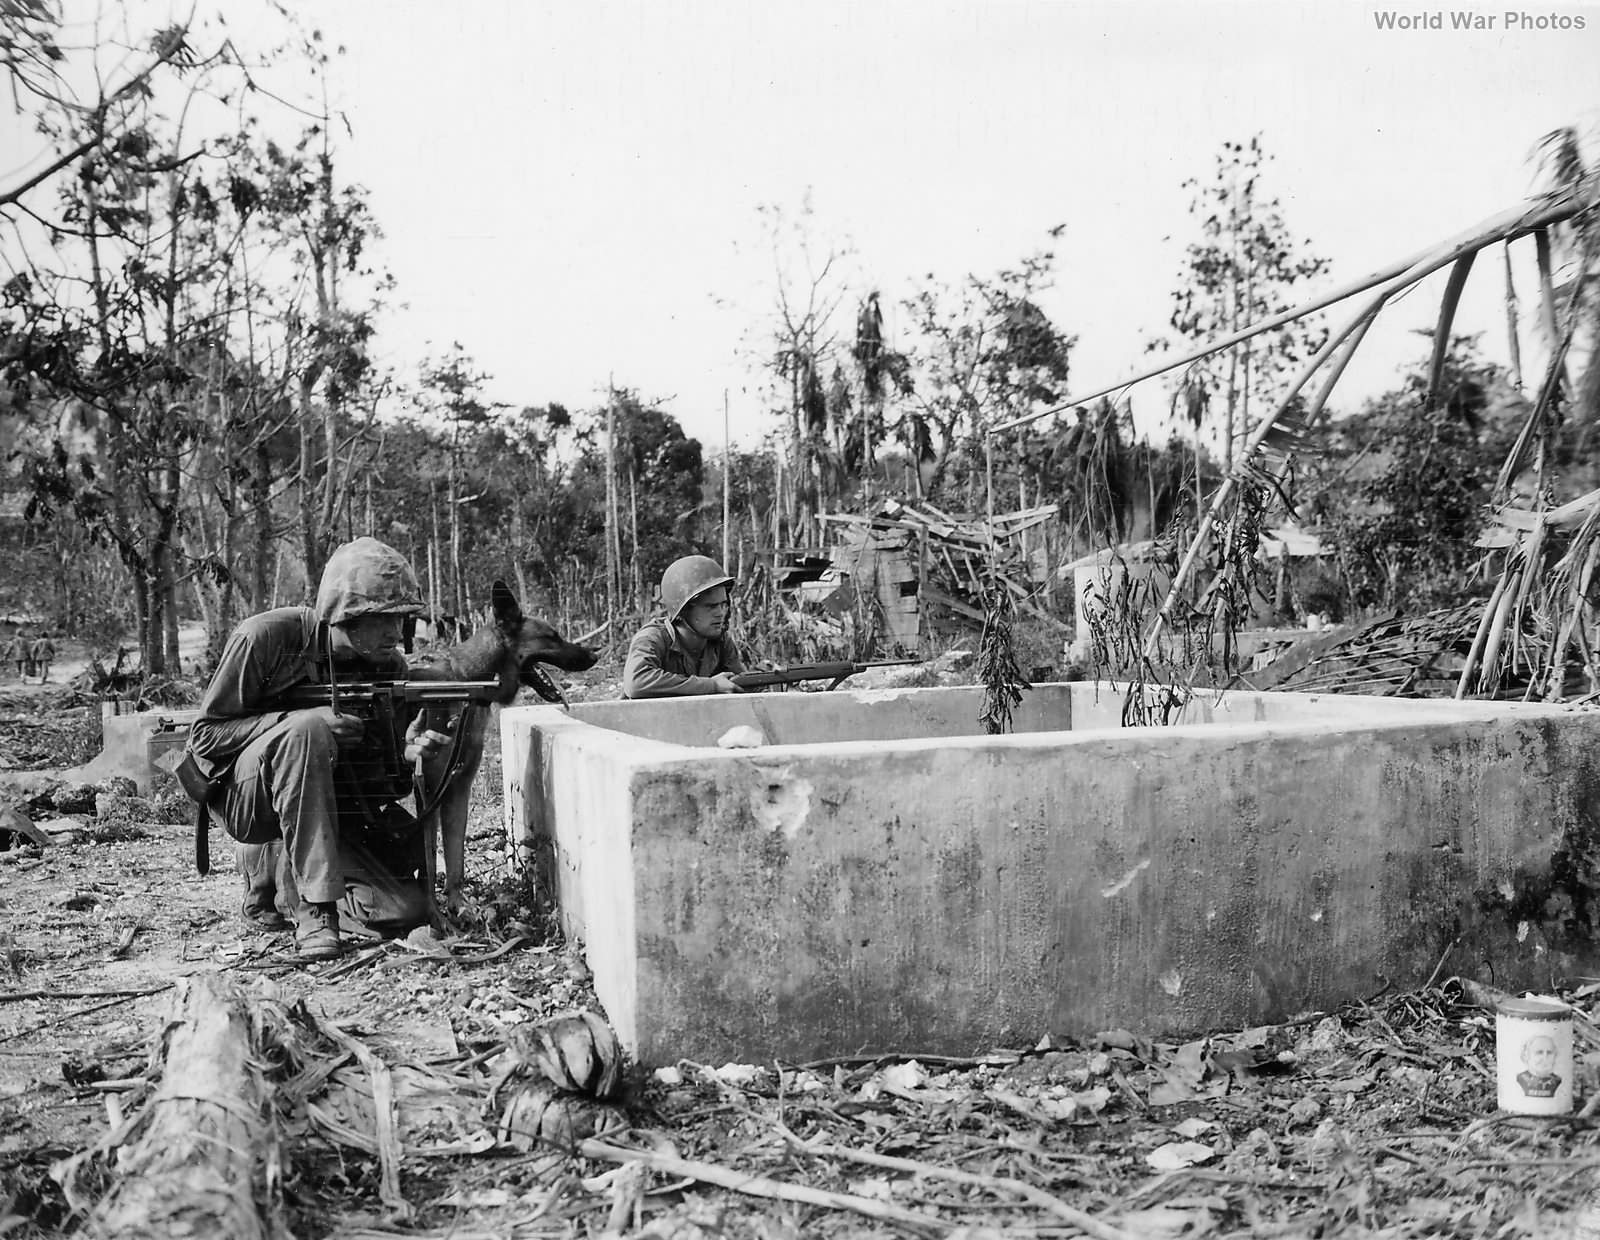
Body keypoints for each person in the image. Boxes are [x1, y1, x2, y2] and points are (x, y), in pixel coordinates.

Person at [185, 537, 452, 961]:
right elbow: (205, 737)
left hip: (328, 809)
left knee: (403, 911)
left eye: (402, 618)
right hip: (247, 800)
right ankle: (314, 913)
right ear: (343, 613)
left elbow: (378, 788)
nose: (397, 633)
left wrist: (406, 760)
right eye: (383, 618)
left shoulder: (389, 668)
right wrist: (292, 724)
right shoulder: (265, 638)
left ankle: (285, 880)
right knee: (307, 730)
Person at [623, 555, 747, 698]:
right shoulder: (653, 638)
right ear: (684, 610)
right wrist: (712, 686)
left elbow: (739, 685)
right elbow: (636, 683)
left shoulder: (721, 641)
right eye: (711, 606)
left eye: (723, 604)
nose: (721, 613)